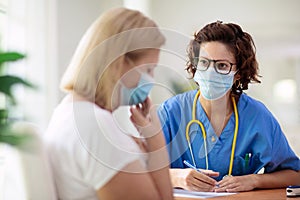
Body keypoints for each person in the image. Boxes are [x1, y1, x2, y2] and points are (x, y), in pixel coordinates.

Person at [44, 7, 173, 200]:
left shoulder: (69, 111)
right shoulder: (95, 125)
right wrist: (156, 142)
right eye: (148, 69)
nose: (151, 79)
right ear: (120, 63)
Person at [157, 21, 300, 192]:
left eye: (222, 65)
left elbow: (294, 173)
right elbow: (139, 170)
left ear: (238, 73)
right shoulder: (172, 112)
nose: (210, 72)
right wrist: (177, 177)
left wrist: (254, 180)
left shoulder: (257, 116)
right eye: (204, 63)